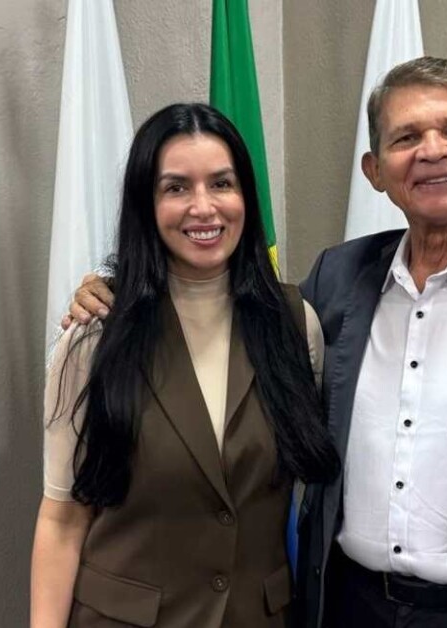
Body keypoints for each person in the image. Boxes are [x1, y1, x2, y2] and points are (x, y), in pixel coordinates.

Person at [66, 57, 447, 628]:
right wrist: (121, 296)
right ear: (375, 171)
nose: (432, 150)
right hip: (346, 606)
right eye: (406, 138)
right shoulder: (338, 280)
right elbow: (230, 325)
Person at [31, 103, 339, 628]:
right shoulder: (96, 335)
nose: (203, 207)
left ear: (245, 196)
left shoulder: (295, 325)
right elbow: (62, 519)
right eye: (176, 187)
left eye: (221, 183)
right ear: (146, 204)